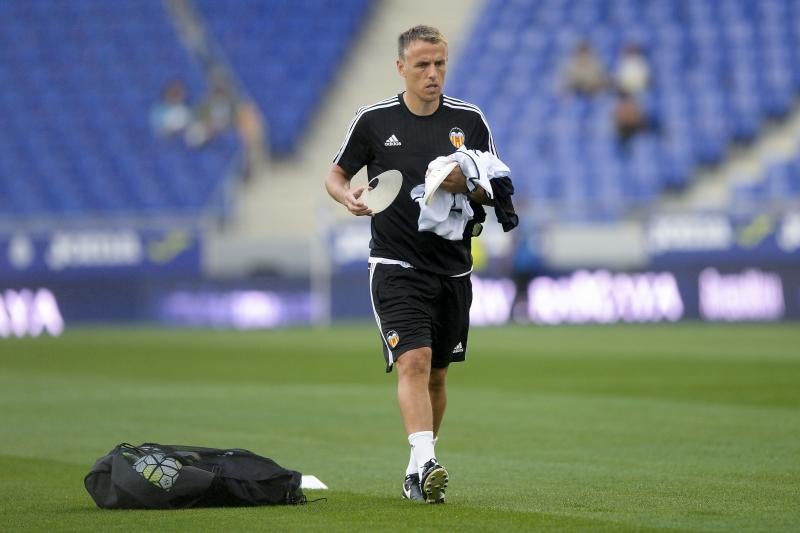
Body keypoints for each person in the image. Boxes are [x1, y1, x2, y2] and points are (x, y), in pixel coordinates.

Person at [324, 25, 498, 504]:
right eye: (422, 64)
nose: (433, 73)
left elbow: (495, 187)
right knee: (414, 361)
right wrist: (347, 197)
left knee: (438, 373)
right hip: (395, 263)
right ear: (401, 67)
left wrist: (466, 185)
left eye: (440, 63)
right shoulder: (374, 121)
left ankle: (414, 472)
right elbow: (336, 174)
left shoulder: (470, 120)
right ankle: (427, 464)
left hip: (453, 267)